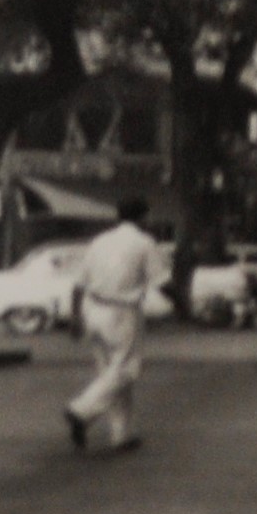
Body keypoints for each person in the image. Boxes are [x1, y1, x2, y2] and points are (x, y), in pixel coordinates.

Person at [65, 194, 161, 454]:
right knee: (126, 370)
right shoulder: (144, 242)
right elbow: (161, 281)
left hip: (93, 308)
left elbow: (78, 283)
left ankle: (121, 436)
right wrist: (184, 305)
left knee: (110, 373)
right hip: (122, 312)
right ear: (143, 217)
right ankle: (80, 410)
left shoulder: (99, 241)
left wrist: (75, 316)